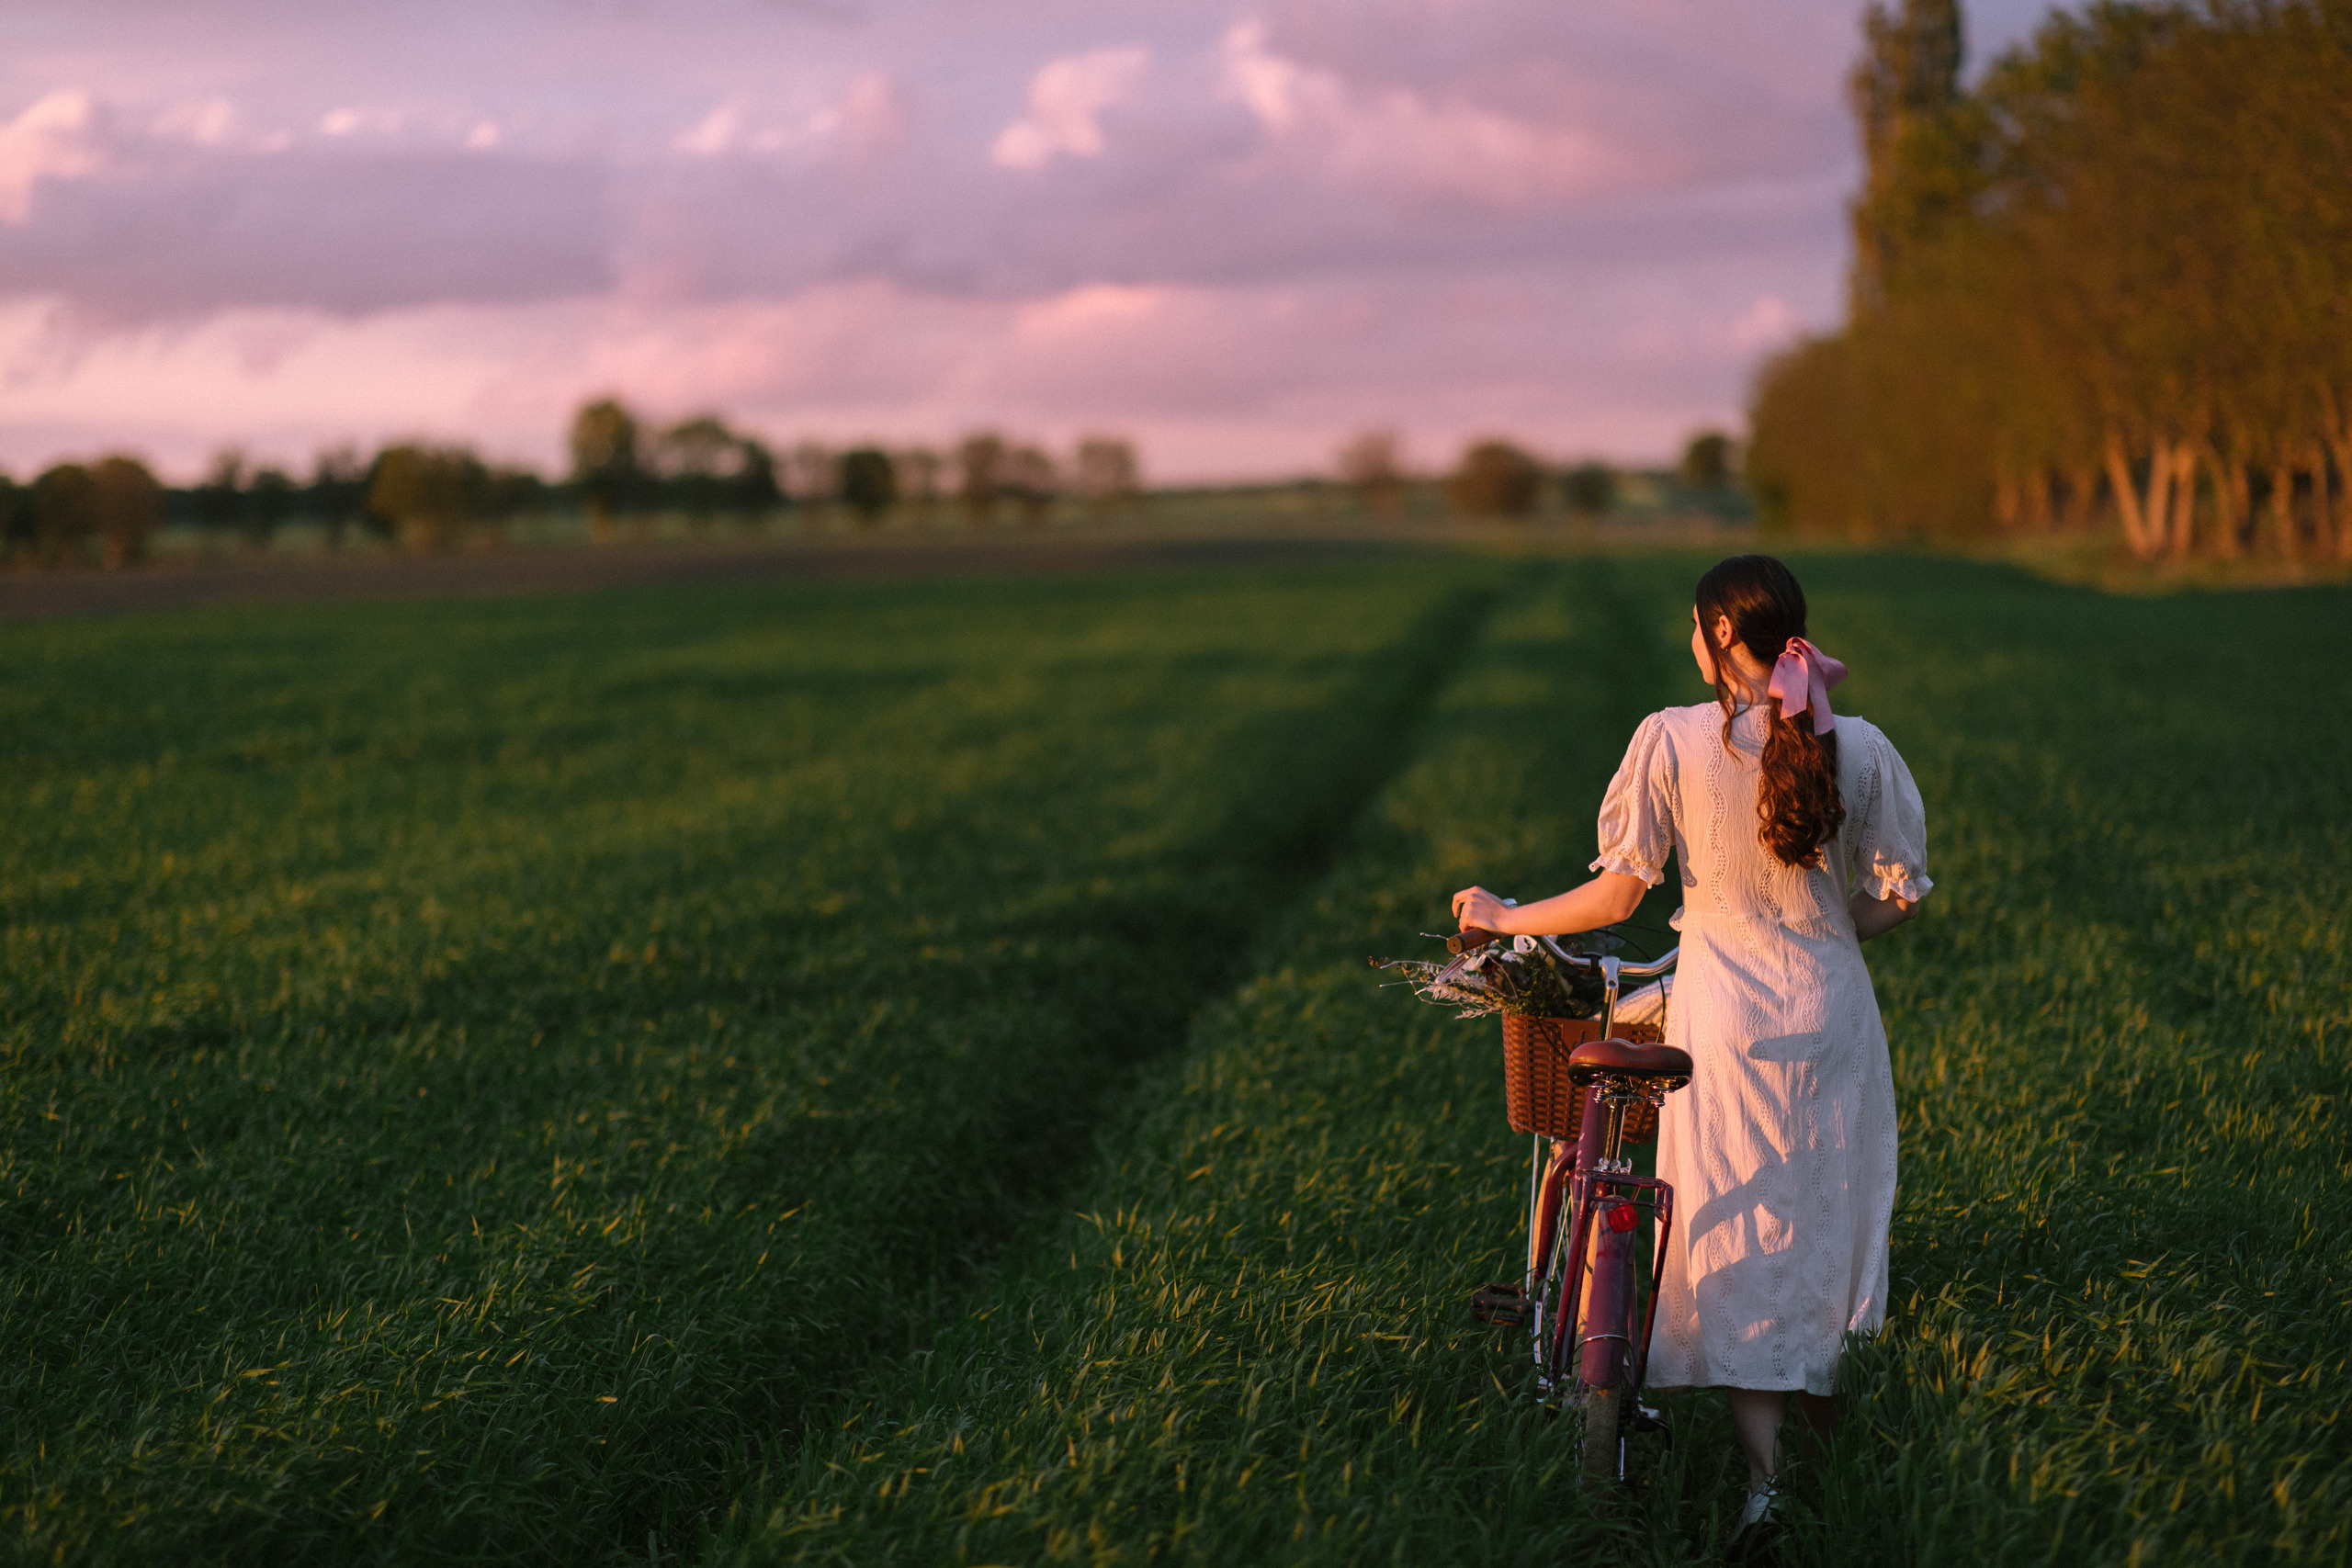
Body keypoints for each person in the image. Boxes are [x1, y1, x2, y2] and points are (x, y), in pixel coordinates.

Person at [1452, 555, 1929, 1542]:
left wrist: (1504, 918)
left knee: (1742, 1233)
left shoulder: (1671, 740)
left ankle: (1765, 1485)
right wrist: (1820, 930)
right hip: (1832, 1014)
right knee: (1822, 1228)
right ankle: (1831, 1463)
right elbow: (1895, 894)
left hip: (1723, 1019)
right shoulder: (1862, 745)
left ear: (1718, 634)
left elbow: (1619, 894)